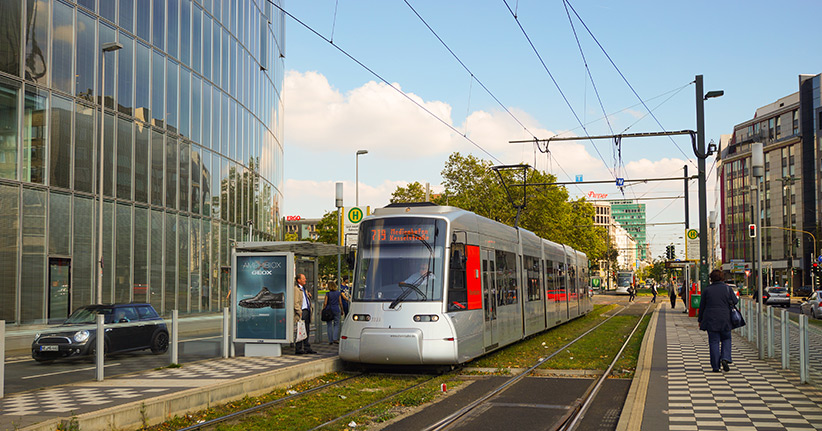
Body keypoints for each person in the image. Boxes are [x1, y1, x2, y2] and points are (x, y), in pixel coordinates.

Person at [698, 269, 739, 372]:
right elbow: (735, 301)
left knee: (714, 342)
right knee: (726, 339)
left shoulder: (707, 290)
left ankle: (716, 366)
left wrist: (700, 319)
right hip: (725, 318)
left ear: (711, 278)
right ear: (722, 278)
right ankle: (725, 358)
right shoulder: (727, 289)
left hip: (711, 319)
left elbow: (702, 306)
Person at [293, 273, 317, 354]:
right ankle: (298, 348)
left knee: (306, 329)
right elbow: (295, 302)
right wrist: (299, 311)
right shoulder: (296, 289)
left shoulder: (304, 289)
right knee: (300, 329)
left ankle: (307, 347)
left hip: (307, 311)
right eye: (303, 278)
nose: (305, 280)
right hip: (301, 311)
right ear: (299, 280)